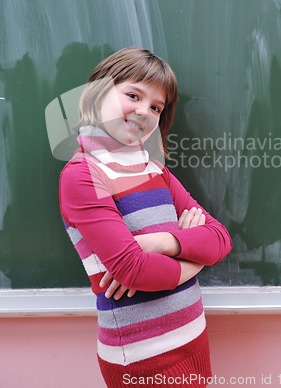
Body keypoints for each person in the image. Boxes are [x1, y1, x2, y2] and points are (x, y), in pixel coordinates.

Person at [59, 47, 232, 387]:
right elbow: (133, 269)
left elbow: (220, 238)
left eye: (156, 106)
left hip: (192, 337)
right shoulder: (83, 175)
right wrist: (195, 259)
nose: (144, 111)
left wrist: (160, 242)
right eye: (133, 95)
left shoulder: (155, 171)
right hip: (143, 358)